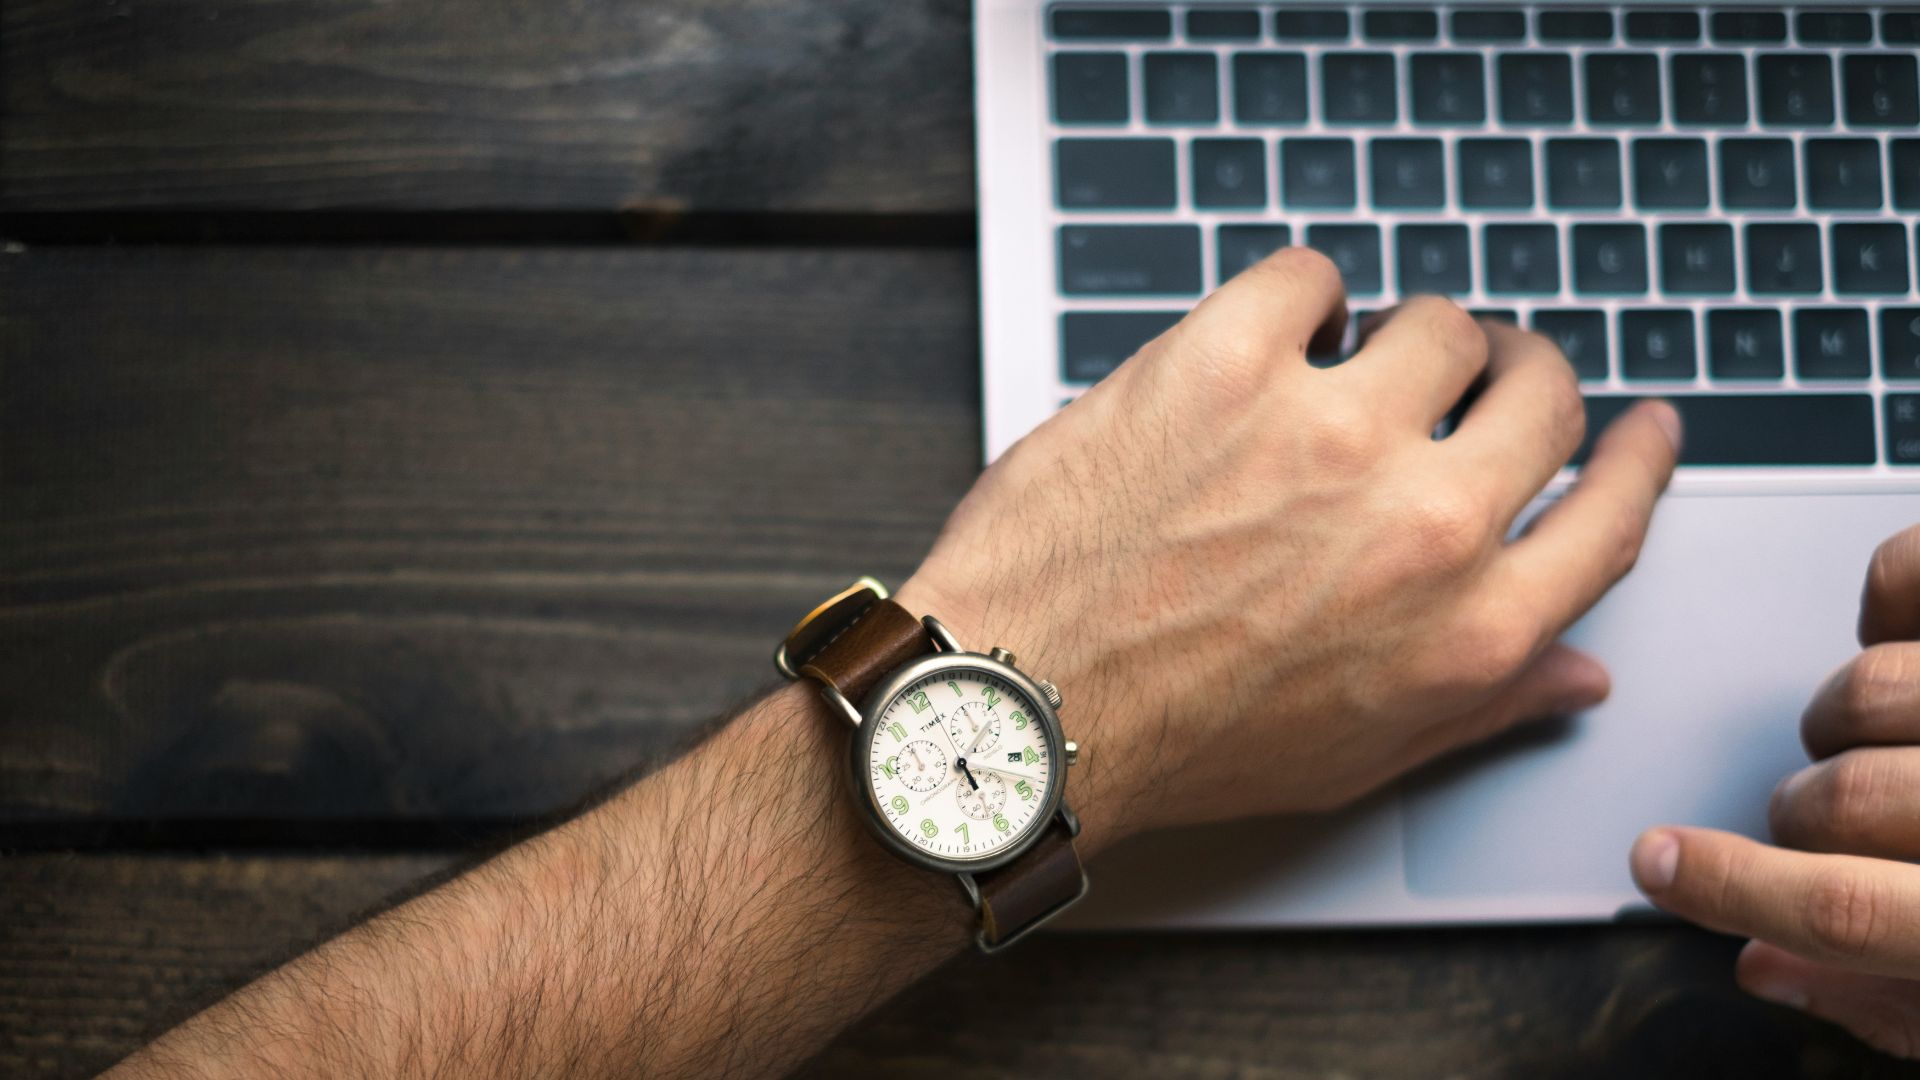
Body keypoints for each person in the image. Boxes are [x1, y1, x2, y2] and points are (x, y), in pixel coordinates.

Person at [101, 249, 1913, 1076]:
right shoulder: (935, 742)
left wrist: (1070, 710)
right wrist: (1089, 700)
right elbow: (971, 746)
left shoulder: (958, 750)